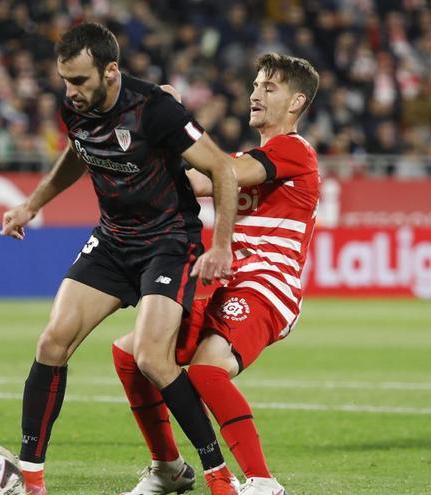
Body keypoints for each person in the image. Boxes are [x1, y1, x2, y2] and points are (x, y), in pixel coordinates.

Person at [0, 23, 240, 495]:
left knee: (151, 356)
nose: (71, 92)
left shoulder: (155, 109)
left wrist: (221, 245)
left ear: (111, 71)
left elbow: (222, 169)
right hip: (112, 240)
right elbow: (78, 150)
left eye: (81, 81)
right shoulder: (74, 106)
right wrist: (33, 204)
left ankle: (219, 475)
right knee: (52, 342)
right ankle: (30, 480)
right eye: (66, 80)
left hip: (169, 240)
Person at [112, 53, 320, 495]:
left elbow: (221, 172)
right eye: (256, 84)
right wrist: (152, 142)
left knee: (207, 371)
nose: (256, 93)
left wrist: (176, 120)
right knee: (133, 353)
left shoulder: (293, 150)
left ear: (297, 101)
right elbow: (190, 181)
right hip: (224, 284)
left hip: (267, 286)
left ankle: (263, 481)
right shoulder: (251, 155)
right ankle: (167, 468)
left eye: (270, 87)